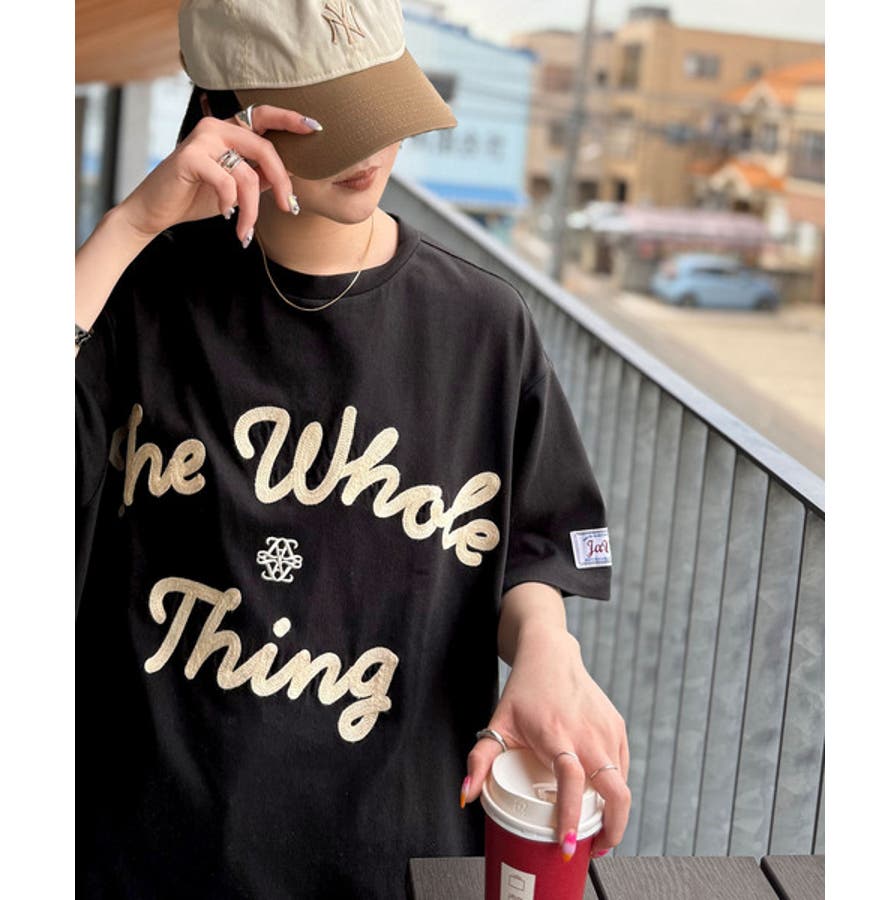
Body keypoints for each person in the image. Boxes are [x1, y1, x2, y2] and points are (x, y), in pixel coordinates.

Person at [75, 1, 631, 896]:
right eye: (327, 117)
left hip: (397, 861)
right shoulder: (135, 299)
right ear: (223, 113)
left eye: (380, 102)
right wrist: (128, 229)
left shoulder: (482, 326)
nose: (370, 146)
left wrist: (547, 646)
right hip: (150, 856)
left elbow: (536, 541)